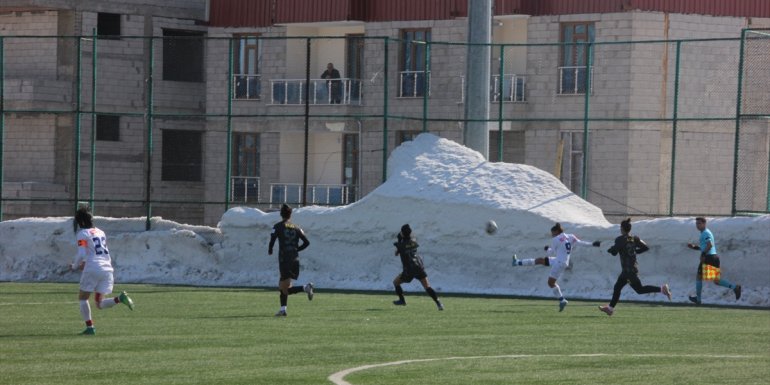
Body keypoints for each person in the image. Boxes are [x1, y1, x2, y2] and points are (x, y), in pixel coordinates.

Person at [70, 206, 133, 335]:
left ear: (80, 222)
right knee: (99, 304)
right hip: (107, 269)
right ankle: (120, 299)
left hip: (93, 268)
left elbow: (82, 253)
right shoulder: (100, 232)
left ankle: (90, 328)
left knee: (83, 298)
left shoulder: (82, 234)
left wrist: (74, 266)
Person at [512, 222, 601, 312]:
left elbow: (552, 252)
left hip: (559, 263)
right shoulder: (570, 236)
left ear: (557, 231)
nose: (552, 235)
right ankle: (517, 262)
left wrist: (547, 249)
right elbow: (581, 243)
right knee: (540, 260)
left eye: (552, 233)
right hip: (560, 261)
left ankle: (562, 300)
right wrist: (592, 244)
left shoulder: (556, 239)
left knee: (551, 283)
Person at [598, 218, 671, 316]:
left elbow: (614, 252)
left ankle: (662, 289)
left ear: (622, 228)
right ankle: (610, 308)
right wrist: (635, 251)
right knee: (618, 287)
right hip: (630, 269)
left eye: (620, 228)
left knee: (639, 290)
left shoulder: (620, 239)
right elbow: (645, 247)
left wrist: (611, 250)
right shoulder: (634, 238)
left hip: (628, 272)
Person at [268, 204, 313, 316]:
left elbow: (272, 239)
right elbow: (307, 242)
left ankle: (306, 288)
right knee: (283, 286)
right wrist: (296, 249)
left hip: (285, 259)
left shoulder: (278, 226)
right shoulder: (297, 227)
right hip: (295, 259)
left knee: (284, 287)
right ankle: (283, 309)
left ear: (281, 214)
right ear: (290, 214)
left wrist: (270, 249)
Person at [686, 217, 741, 305]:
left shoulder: (705, 233)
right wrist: (694, 247)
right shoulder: (705, 233)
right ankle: (735, 288)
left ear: (704, 224)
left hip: (708, 258)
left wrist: (703, 254)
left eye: (699, 223)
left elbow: (709, 245)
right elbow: (705, 246)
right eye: (696, 224)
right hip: (714, 258)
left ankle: (698, 299)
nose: (697, 225)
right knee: (716, 281)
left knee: (699, 277)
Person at [392, 224, 444, 311]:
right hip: (418, 266)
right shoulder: (414, 240)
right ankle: (439, 303)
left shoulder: (400, 244)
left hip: (409, 269)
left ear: (402, 233)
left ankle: (402, 300)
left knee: (396, 282)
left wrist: (399, 240)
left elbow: (396, 254)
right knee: (427, 286)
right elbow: (410, 243)